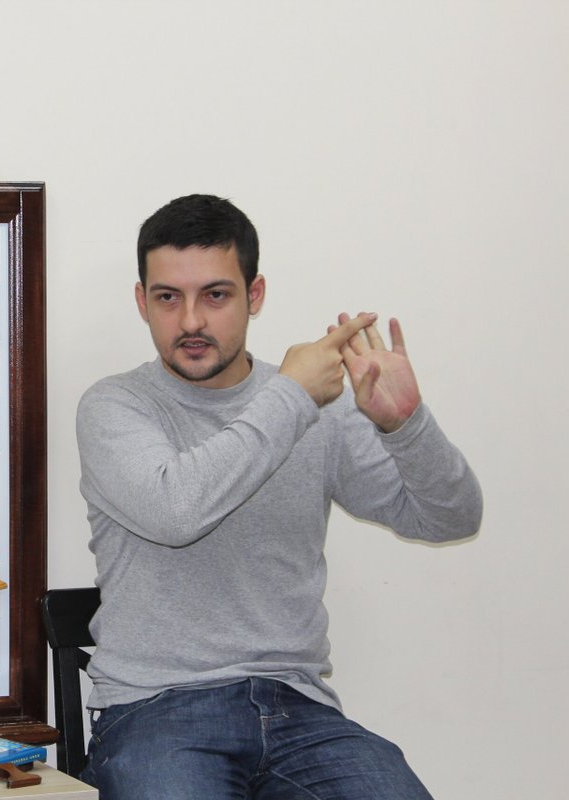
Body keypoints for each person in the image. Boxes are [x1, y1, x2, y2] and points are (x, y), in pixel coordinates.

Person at [74, 194, 482, 799]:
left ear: (255, 294)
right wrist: (292, 396)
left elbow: (451, 518)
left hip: (299, 708)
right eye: (168, 298)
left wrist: (406, 426)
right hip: (156, 708)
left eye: (216, 295)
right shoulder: (116, 405)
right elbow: (176, 511)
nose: (191, 321)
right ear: (142, 302)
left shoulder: (317, 405)